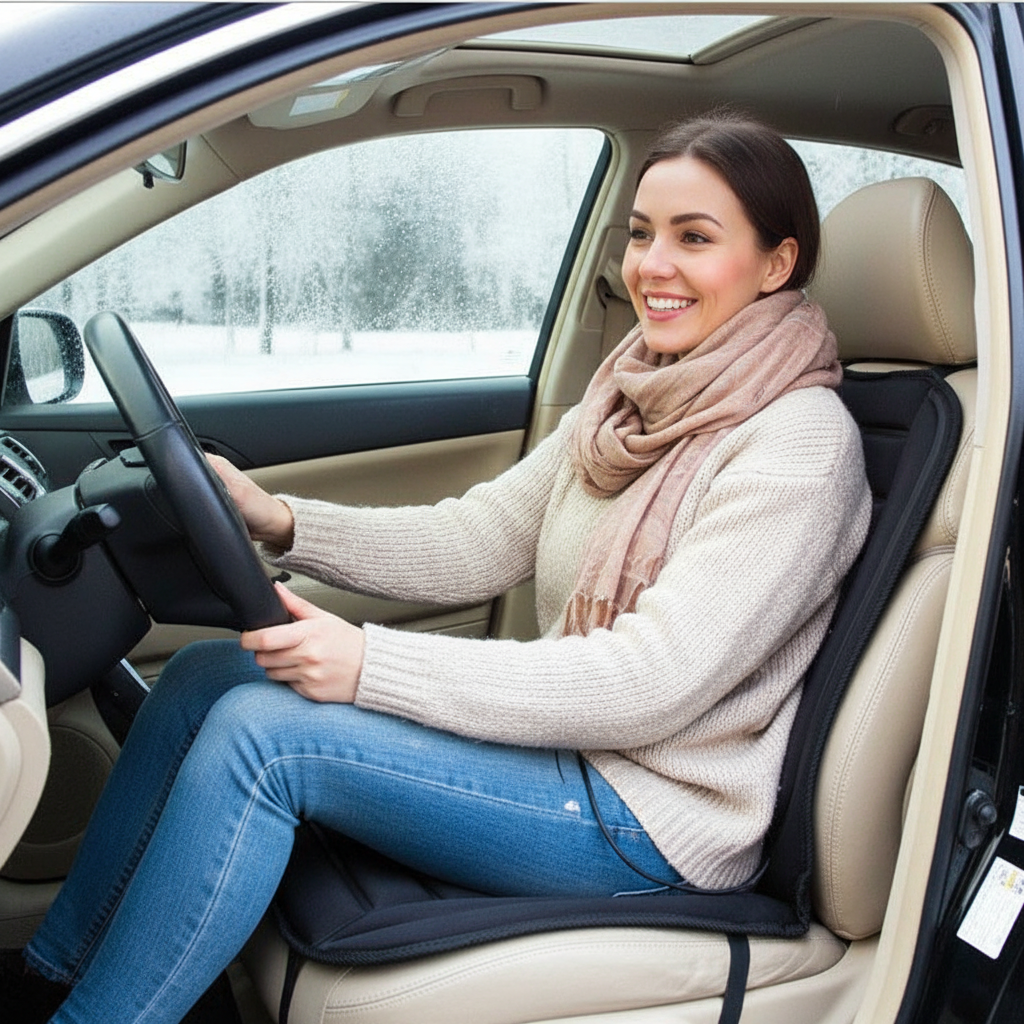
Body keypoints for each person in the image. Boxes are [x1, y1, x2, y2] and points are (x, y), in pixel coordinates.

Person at [3, 112, 871, 1023]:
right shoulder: (631, 396)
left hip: (651, 815)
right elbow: (482, 537)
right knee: (205, 674)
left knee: (267, 737)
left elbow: (651, 680)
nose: (652, 265)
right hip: (572, 755)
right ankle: (52, 976)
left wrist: (372, 667)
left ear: (777, 263)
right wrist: (281, 518)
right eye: (642, 233)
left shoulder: (799, 447)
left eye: (695, 238)